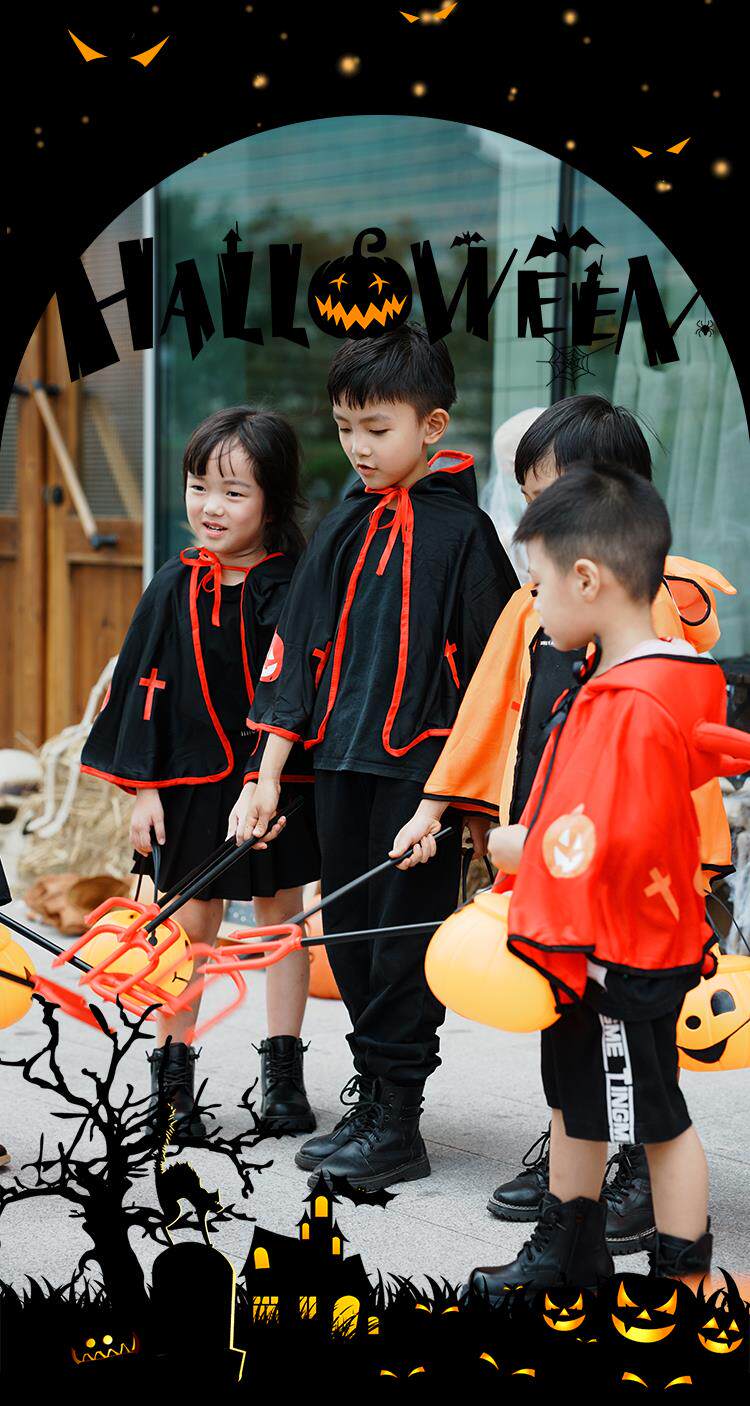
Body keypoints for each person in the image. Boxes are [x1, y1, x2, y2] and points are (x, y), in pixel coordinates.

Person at [395, 395, 734, 1254]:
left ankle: (673, 1257)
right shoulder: (588, 646)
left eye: (540, 569)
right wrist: (461, 815)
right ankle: (563, 1241)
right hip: (577, 910)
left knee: (648, 1105)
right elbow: (496, 724)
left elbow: (627, 824)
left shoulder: (637, 680)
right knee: (578, 1078)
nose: (530, 582)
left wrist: (531, 848)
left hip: (621, 927)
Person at [232, 323, 518, 1191]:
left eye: (377, 428)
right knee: (350, 940)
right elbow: (295, 652)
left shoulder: (465, 535)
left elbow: (496, 678)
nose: (358, 446)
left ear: (431, 426)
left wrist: (468, 804)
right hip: (340, 770)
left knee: (401, 945)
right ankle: (373, 1102)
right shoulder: (344, 523)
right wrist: (266, 775)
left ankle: (399, 1122)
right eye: (345, 427)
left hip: (418, 782)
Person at [81, 407, 321, 1139]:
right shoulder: (172, 583)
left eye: (233, 493)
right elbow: (138, 690)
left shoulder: (296, 585)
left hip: (275, 781)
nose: (210, 507)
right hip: (189, 781)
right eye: (198, 487)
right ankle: (173, 1076)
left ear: (272, 502)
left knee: (282, 918)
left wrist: (273, 775)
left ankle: (283, 1074)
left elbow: (308, 685)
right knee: (189, 927)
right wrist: (144, 791)